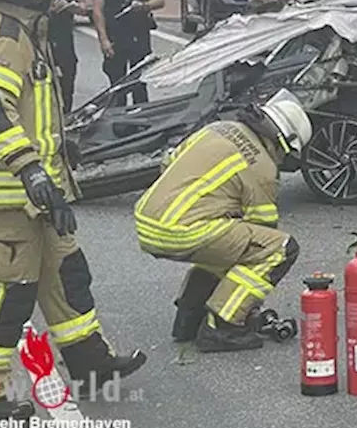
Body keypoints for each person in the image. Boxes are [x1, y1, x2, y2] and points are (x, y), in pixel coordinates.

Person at [0, 0, 145, 421]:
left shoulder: (27, 30)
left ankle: (89, 363)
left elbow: (30, 110)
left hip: (42, 190)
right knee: (10, 292)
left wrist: (60, 152)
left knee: (67, 275)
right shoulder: (8, 35)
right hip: (15, 193)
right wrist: (31, 168)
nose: (63, 5)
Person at [133, 89, 311, 352]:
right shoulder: (263, 167)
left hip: (147, 219)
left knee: (227, 240)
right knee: (279, 249)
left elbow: (168, 162)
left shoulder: (218, 128)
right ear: (282, 142)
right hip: (182, 229)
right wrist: (248, 302)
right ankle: (223, 325)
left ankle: (189, 318)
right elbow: (262, 231)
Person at [92, 0, 163, 106]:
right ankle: (117, 124)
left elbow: (160, 0)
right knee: (117, 85)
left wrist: (145, 6)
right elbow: (97, 10)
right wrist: (103, 39)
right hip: (115, 34)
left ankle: (141, 121)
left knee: (139, 81)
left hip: (138, 33)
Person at [48, 0, 89, 113]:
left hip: (64, 29)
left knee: (69, 69)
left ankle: (66, 116)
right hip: (45, 31)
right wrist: (73, 6)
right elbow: (51, 2)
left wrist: (83, 1)